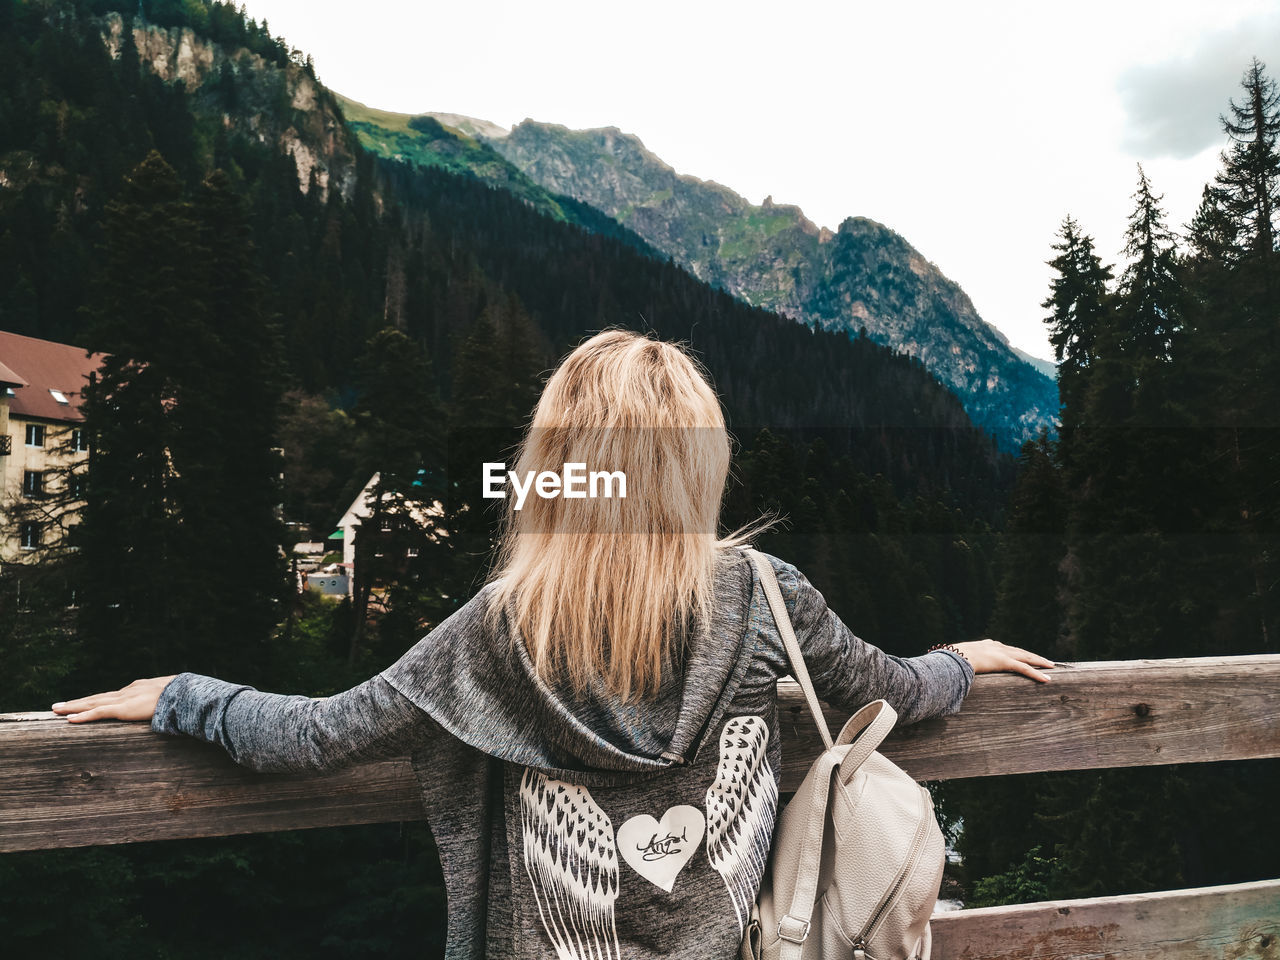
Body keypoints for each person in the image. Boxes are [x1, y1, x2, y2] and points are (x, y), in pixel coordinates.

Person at [53, 329, 1053, 960]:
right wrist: (962, 662)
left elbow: (312, 739)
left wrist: (182, 693)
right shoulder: (762, 596)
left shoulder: (500, 629)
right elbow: (885, 692)